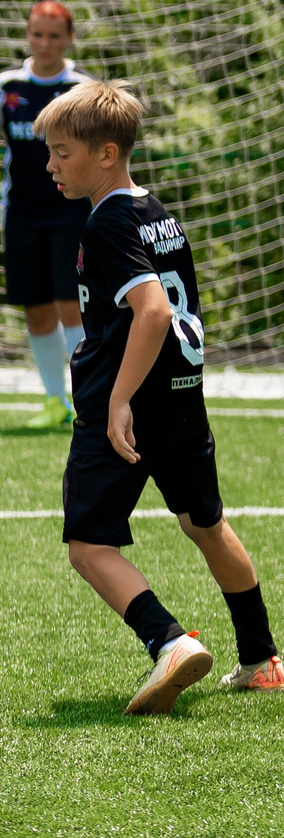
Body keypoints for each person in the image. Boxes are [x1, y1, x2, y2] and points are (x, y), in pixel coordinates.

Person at [34, 78, 284, 713]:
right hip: (183, 398)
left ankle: (167, 642)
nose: (51, 164)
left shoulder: (109, 221)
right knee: (205, 524)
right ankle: (261, 658)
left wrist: (118, 401)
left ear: (107, 153)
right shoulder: (159, 213)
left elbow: (149, 312)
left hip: (129, 406)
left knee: (89, 546)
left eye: (63, 152)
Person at [0, 0, 92, 429]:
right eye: (37, 34)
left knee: (73, 306)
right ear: (27, 35)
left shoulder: (82, 87)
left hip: (72, 211)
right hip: (21, 212)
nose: (45, 43)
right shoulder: (7, 84)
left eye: (55, 35)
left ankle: (90, 399)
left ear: (70, 38)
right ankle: (56, 402)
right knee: (36, 309)